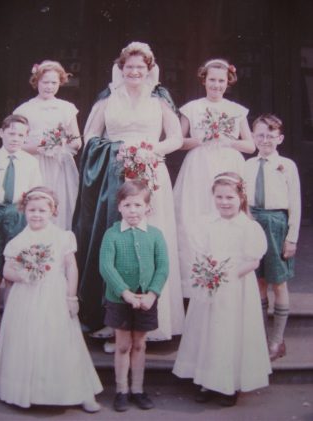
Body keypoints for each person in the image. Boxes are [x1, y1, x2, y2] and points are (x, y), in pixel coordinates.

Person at [73, 41, 184, 342]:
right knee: (119, 241)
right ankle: (115, 319)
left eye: (140, 67)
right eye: (129, 67)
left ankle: (154, 321)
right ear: (121, 69)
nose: (135, 72)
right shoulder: (108, 97)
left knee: (151, 238)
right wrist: (117, 150)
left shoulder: (159, 98)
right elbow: (90, 134)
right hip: (115, 172)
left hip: (150, 170)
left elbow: (175, 137)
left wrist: (150, 151)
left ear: (149, 70)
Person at [0, 186, 102, 412]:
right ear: (24, 210)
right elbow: (7, 271)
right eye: (32, 210)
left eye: (42, 210)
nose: (36, 215)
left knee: (63, 342)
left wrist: (72, 297)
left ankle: (80, 391)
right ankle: (28, 391)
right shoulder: (18, 240)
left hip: (54, 295)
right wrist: (22, 274)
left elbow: (71, 268)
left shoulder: (62, 237)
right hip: (25, 297)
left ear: (52, 211)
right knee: (27, 341)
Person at [173, 172, 271, 407]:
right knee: (208, 332)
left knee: (230, 335)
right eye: (219, 197)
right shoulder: (206, 223)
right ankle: (206, 380)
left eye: (229, 197)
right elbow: (199, 253)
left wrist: (225, 275)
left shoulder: (249, 227)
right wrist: (207, 274)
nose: (224, 202)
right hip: (209, 287)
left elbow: (253, 261)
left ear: (241, 198)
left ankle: (229, 384)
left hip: (236, 288)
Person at [173, 58, 255, 298]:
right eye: (212, 80)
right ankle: (196, 281)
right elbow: (179, 141)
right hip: (199, 167)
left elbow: (250, 146)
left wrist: (229, 140)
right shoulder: (192, 108)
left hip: (228, 164)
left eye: (221, 81)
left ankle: (230, 275)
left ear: (228, 82)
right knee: (195, 217)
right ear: (204, 80)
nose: (216, 85)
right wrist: (202, 139)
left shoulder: (237, 110)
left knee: (228, 216)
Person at [100, 180, 169, 412]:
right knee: (122, 345)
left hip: (146, 299)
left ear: (147, 208)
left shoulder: (155, 234)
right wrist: (125, 293)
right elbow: (106, 267)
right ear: (119, 206)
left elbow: (163, 267)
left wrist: (152, 293)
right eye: (127, 205)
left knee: (139, 343)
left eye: (138, 205)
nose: (132, 210)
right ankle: (121, 390)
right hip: (120, 299)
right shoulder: (111, 235)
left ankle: (138, 389)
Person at [244, 114, 301, 361]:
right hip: (253, 222)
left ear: (280, 138)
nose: (265, 140)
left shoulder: (287, 165)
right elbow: (243, 200)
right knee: (259, 283)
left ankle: (277, 340)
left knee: (278, 282)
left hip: (277, 224)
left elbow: (295, 204)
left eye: (270, 135)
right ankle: (262, 337)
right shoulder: (246, 165)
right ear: (253, 137)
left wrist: (292, 237)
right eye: (260, 135)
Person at [13, 60, 81, 230]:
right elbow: (17, 144)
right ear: (36, 82)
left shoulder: (66, 108)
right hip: (34, 164)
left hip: (59, 165)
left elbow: (77, 141)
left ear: (60, 83)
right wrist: (41, 147)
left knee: (59, 205)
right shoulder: (25, 109)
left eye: (54, 82)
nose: (49, 86)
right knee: (34, 204)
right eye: (45, 82)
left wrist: (60, 144)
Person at [0, 114, 42, 327]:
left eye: (20, 135)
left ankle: (11, 314)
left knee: (14, 260)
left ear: (26, 138)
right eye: (11, 133)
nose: (15, 138)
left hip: (17, 212)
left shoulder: (30, 162)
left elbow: (35, 191)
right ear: (1, 133)